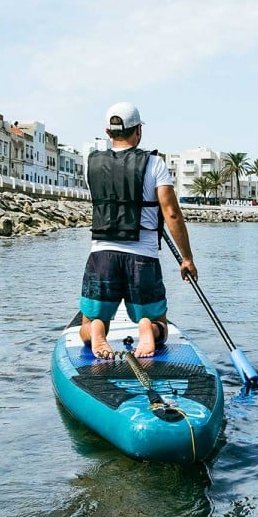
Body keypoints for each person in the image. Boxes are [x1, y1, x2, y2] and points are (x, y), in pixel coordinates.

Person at [78, 102, 197, 359]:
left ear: (108, 133)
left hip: (102, 255)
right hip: (142, 258)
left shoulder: (91, 164)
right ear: (138, 131)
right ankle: (148, 329)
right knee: (159, 323)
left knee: (88, 322)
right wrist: (187, 258)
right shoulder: (155, 164)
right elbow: (172, 213)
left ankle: (97, 327)